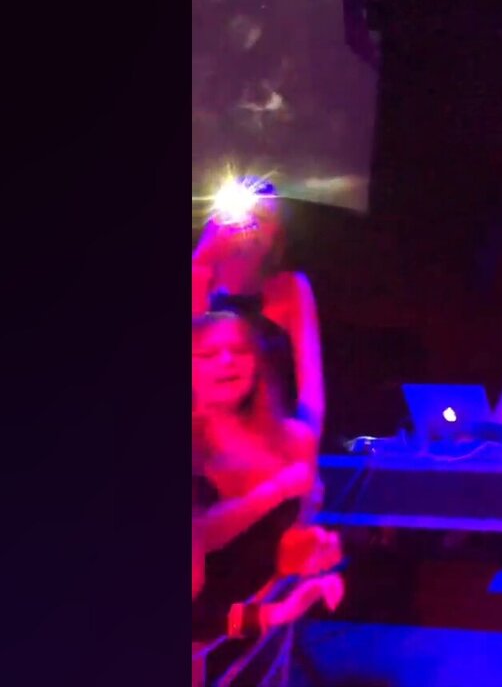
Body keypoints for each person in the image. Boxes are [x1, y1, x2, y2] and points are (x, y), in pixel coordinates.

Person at [191, 311, 319, 679]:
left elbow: (290, 541)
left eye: (240, 351)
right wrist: (276, 491)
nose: (227, 361)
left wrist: (312, 548)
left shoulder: (293, 439)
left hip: (260, 630)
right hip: (203, 637)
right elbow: (202, 535)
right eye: (209, 354)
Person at [192, 177, 326, 435]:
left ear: (276, 233)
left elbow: (311, 390)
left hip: (274, 443)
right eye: (243, 212)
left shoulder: (292, 287)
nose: (249, 223)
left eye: (262, 217)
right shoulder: (199, 278)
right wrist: (203, 255)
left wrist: (305, 443)